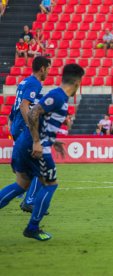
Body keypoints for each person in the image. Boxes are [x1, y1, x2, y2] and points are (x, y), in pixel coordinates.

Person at [0, 63, 84, 241]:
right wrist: (38, 142)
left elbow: (43, 121)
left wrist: (53, 141)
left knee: (22, 184)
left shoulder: (58, 97)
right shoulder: (57, 96)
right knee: (50, 184)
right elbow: (32, 114)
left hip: (26, 143)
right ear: (76, 82)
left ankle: (32, 222)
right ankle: (32, 227)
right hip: (34, 146)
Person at [8, 56, 51, 214]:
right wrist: (31, 128)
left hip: (17, 127)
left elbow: (16, 106)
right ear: (42, 68)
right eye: (48, 68)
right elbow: (23, 106)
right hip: (22, 129)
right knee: (42, 167)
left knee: (26, 172)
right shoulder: (34, 83)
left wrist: (13, 123)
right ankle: (30, 200)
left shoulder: (24, 82)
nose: (49, 71)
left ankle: (28, 197)